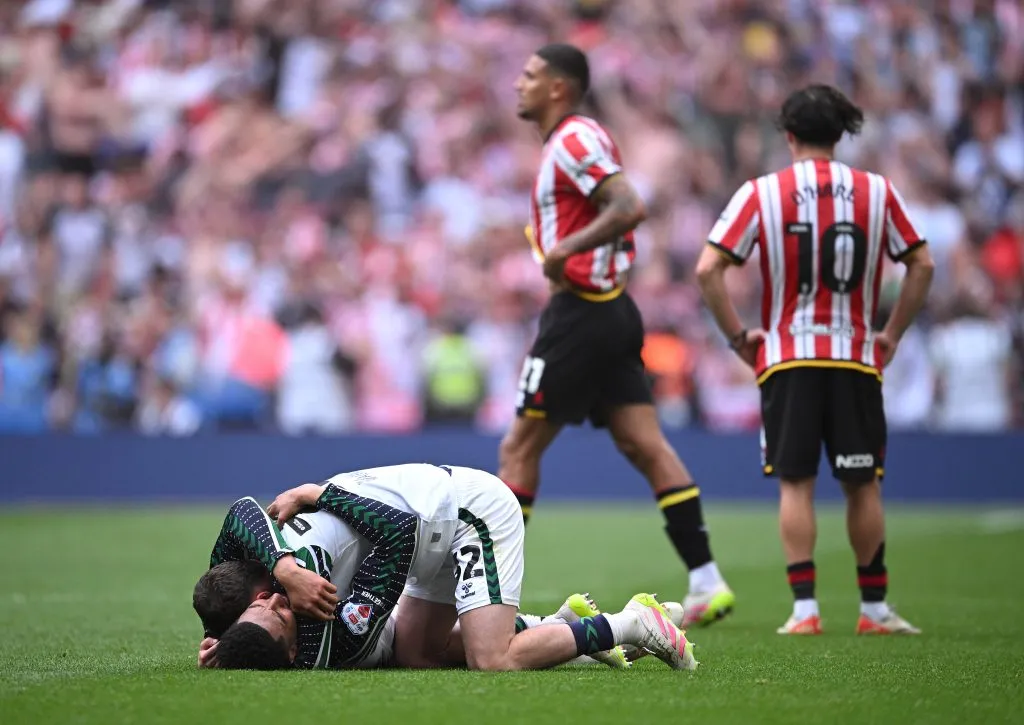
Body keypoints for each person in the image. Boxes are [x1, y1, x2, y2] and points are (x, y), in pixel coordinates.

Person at [500, 42, 734, 628]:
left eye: (530, 75)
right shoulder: (576, 140)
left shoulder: (573, 139)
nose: (518, 83)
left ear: (559, 87)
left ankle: (494, 597)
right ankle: (707, 580)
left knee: (519, 450)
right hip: (612, 311)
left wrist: (565, 249)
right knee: (643, 443)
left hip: (579, 314)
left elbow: (629, 205)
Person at [694, 84, 935, 635]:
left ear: (789, 134)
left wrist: (738, 338)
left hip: (788, 357)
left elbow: (708, 268)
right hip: (855, 355)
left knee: (796, 483)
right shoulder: (877, 191)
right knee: (863, 482)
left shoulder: (762, 192)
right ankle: (874, 609)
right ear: (841, 134)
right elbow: (921, 263)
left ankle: (805, 610)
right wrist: (892, 333)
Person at [200, 464, 698, 671]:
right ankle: (563, 632)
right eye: (278, 615)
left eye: (264, 601)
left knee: (492, 660)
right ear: (291, 653)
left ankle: (629, 623)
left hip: (466, 511)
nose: (276, 599)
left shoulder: (284, 572)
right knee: (417, 653)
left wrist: (291, 553)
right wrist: (224, 642)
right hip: (416, 533)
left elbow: (242, 511)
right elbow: (397, 534)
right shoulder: (319, 624)